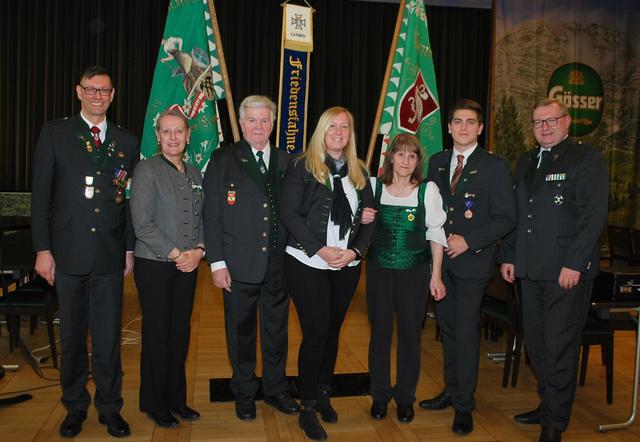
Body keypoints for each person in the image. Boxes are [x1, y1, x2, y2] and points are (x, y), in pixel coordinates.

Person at [31, 66, 139, 438]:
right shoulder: (56, 133)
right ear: (79, 92)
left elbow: (125, 201)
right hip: (67, 255)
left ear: (112, 95)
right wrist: (43, 250)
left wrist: (128, 249)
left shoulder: (126, 141)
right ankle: (74, 407)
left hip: (109, 256)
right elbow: (41, 198)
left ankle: (110, 408)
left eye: (105, 91)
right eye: (91, 90)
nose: (98, 96)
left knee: (108, 339)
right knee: (74, 338)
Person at [499, 98, 608, 442]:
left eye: (551, 121)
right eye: (537, 122)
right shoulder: (528, 161)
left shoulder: (585, 159)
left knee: (559, 346)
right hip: (530, 270)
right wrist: (509, 255)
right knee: (537, 345)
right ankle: (548, 404)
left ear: (566, 121)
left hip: (565, 271)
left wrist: (575, 262)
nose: (544, 127)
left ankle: (555, 422)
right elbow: (519, 214)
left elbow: (592, 219)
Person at [418, 99, 516, 435]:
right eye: (457, 121)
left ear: (480, 127)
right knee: (448, 330)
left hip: (473, 264)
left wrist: (468, 240)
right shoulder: (438, 161)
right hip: (440, 264)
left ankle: (464, 405)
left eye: (470, 122)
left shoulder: (494, 166)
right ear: (448, 127)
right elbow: (432, 211)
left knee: (466, 331)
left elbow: (507, 217)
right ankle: (451, 389)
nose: (463, 127)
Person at [280, 106, 375, 440]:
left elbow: (370, 218)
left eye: (344, 127)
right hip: (308, 262)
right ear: (321, 131)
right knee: (316, 332)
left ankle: (323, 391)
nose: (338, 131)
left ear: (350, 134)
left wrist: (354, 252)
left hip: (346, 265)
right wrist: (319, 249)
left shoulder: (359, 171)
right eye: (332, 126)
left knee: (333, 331)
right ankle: (306, 405)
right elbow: (289, 214)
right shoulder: (302, 166)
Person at [202, 95, 298, 421]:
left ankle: (275, 387)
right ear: (242, 124)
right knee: (240, 332)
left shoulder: (288, 162)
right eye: (252, 120)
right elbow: (211, 216)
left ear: (273, 124)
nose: (259, 126)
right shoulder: (223, 159)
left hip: (278, 264)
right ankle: (244, 390)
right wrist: (216, 262)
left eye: (265, 120)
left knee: (276, 330)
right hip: (237, 263)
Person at [130, 108, 204, 428]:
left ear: (188, 136)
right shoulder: (146, 171)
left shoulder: (196, 173)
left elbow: (204, 219)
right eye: (166, 131)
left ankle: (177, 398)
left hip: (189, 266)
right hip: (156, 265)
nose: (173, 137)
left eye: (179, 131)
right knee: (157, 334)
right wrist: (178, 254)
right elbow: (142, 225)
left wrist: (199, 251)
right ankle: (154, 401)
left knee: (180, 335)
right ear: (157, 136)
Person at [365, 133, 447, 424]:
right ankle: (379, 395)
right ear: (391, 157)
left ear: (417, 161)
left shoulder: (428, 190)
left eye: (412, 156)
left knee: (410, 335)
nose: (406, 160)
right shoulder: (374, 188)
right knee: (380, 334)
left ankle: (405, 397)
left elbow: (436, 234)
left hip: (414, 273)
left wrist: (435, 275)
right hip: (378, 271)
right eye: (400, 154)